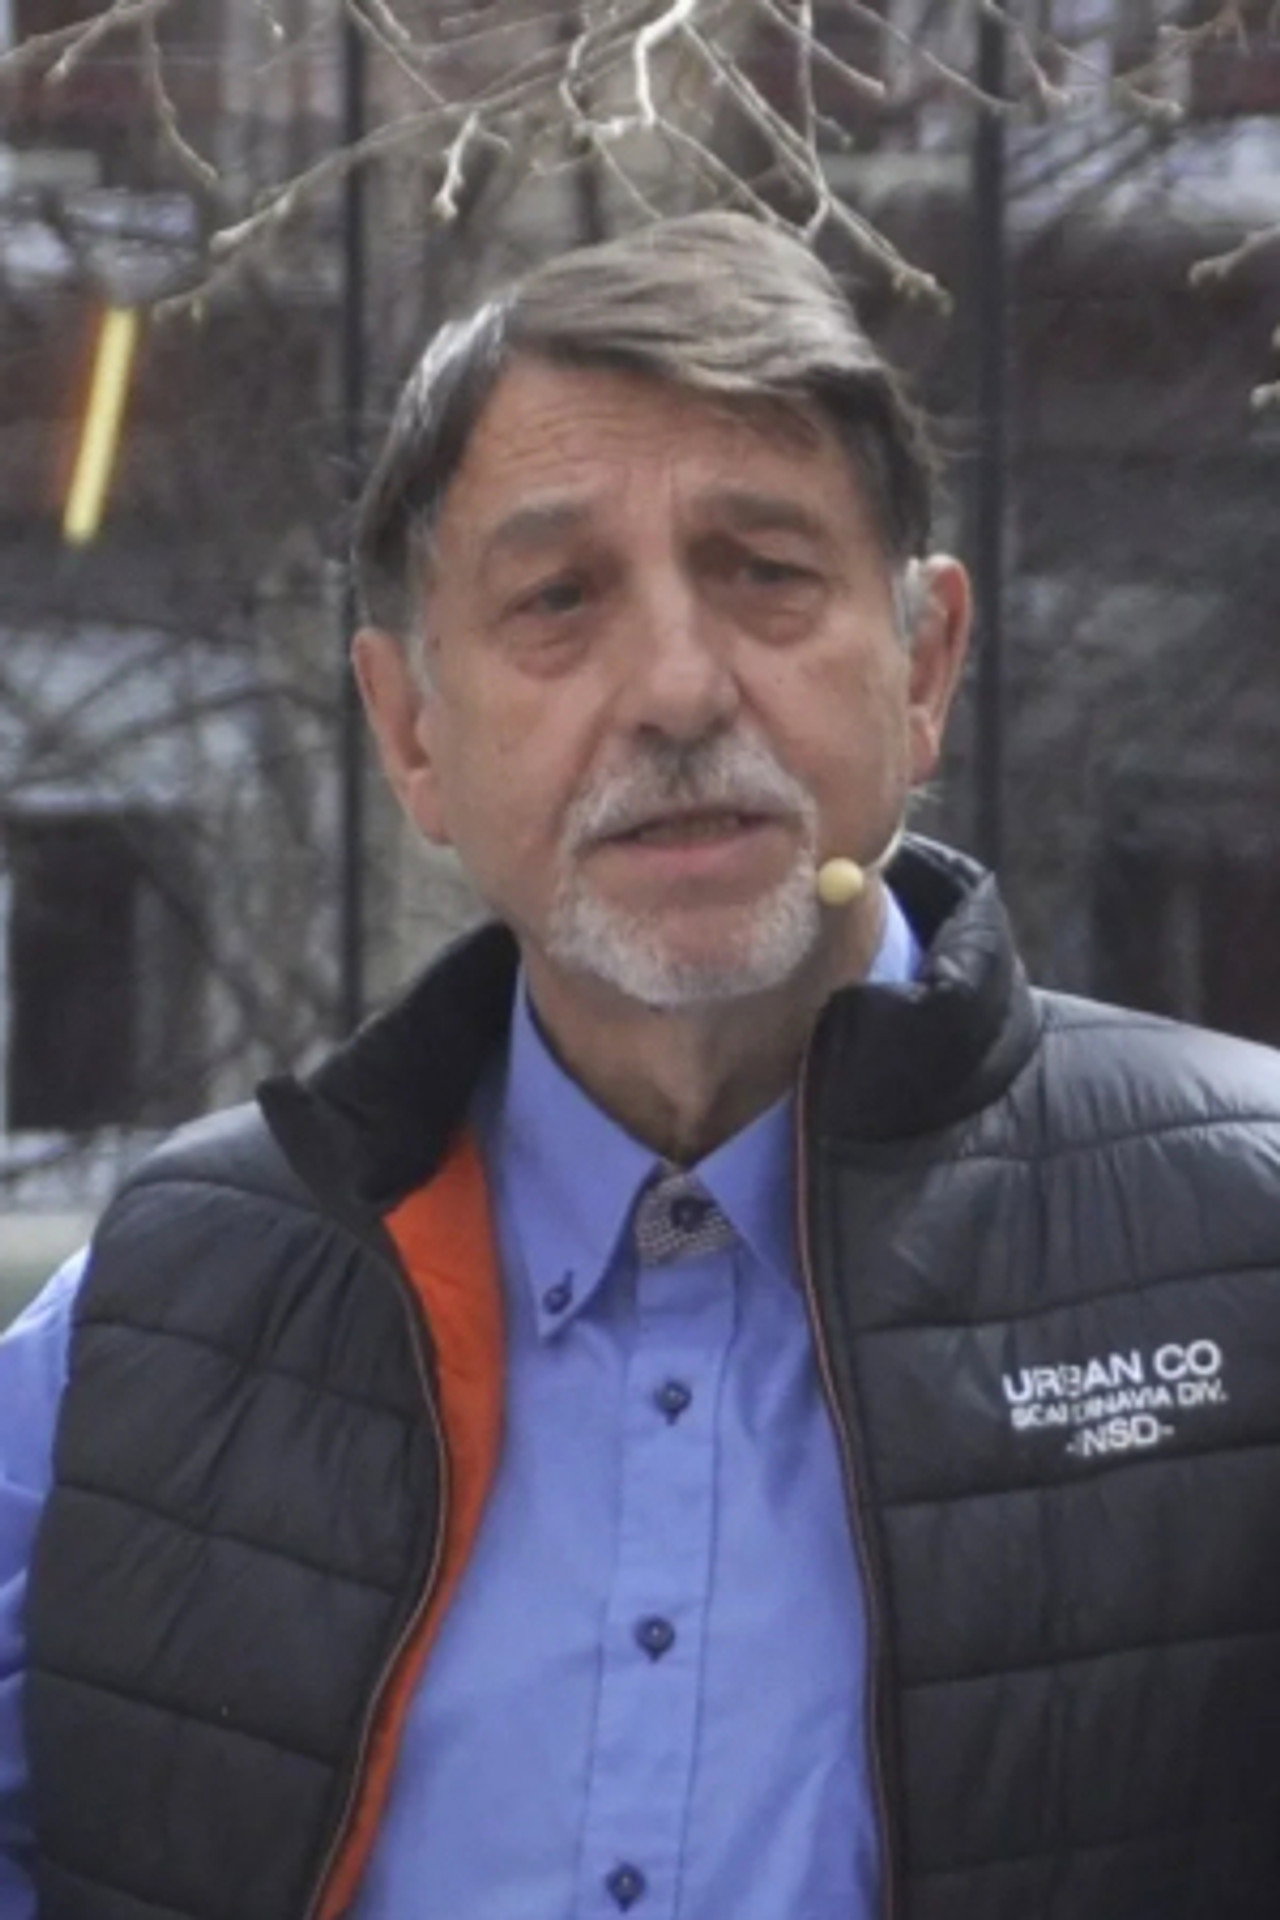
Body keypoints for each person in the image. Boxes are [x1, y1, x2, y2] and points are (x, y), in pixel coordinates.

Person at [3, 212, 1280, 1920]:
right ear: (412, 732)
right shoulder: (152, 1324)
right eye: (558, 598)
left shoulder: (1245, 1247)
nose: (678, 688)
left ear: (922, 665)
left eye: (766, 571)